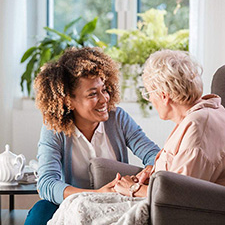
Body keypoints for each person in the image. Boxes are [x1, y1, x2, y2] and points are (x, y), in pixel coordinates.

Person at [24, 47, 160, 225]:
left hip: (113, 204)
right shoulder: (54, 129)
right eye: (93, 94)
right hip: (72, 205)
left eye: (104, 89)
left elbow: (153, 154)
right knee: (41, 210)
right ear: (68, 100)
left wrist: (148, 170)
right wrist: (96, 194)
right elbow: (47, 184)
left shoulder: (118, 118)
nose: (104, 99)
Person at [113, 49, 225, 197]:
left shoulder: (197, 126)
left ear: (163, 96)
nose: (150, 100)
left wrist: (133, 189)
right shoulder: (205, 113)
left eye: (148, 94)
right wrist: (151, 173)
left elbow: (178, 195)